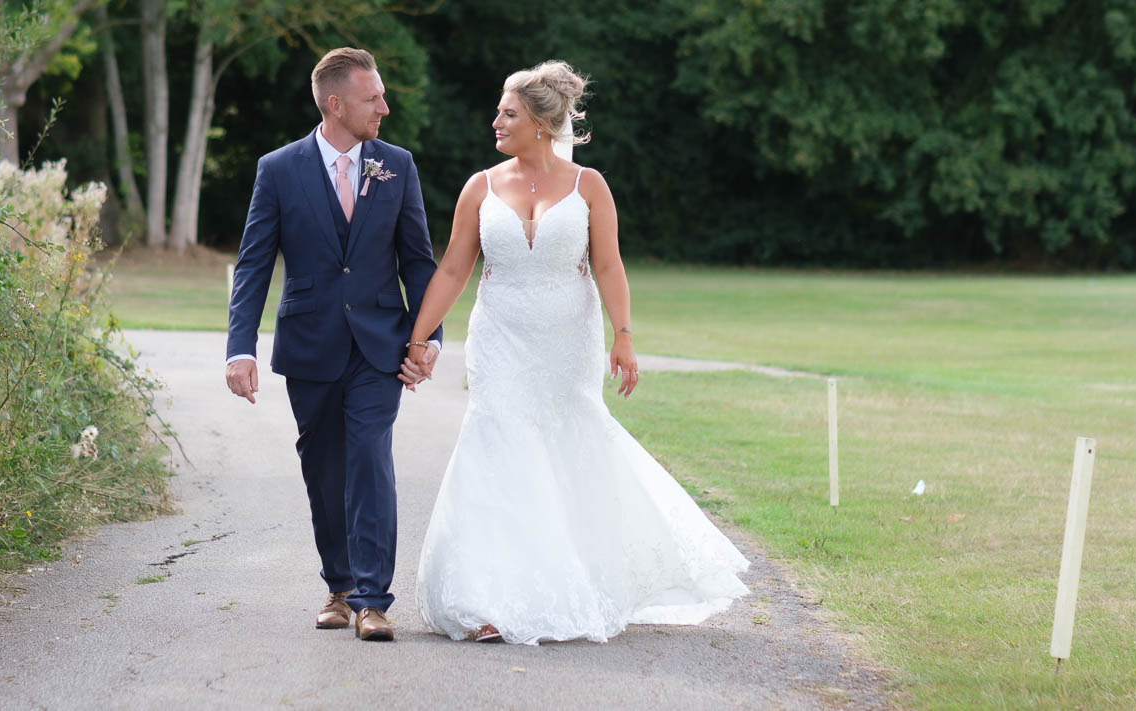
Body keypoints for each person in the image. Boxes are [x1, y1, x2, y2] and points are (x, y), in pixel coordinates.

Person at [404, 61, 750, 645]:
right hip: (500, 339)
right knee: (498, 447)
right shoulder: (479, 187)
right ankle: (485, 598)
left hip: (567, 340)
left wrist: (624, 335)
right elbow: (455, 268)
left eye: (508, 114)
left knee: (565, 445)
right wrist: (420, 337)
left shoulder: (589, 186)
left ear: (542, 124)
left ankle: (577, 578)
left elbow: (609, 265)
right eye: (498, 113)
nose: (495, 122)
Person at [223, 47, 442, 642]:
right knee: (323, 466)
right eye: (374, 98)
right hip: (309, 343)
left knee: (370, 457)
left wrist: (429, 338)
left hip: (380, 344)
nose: (385, 108)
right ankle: (339, 587)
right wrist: (240, 348)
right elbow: (253, 263)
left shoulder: (397, 165)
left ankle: (373, 599)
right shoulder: (278, 168)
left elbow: (418, 261)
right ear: (336, 104)